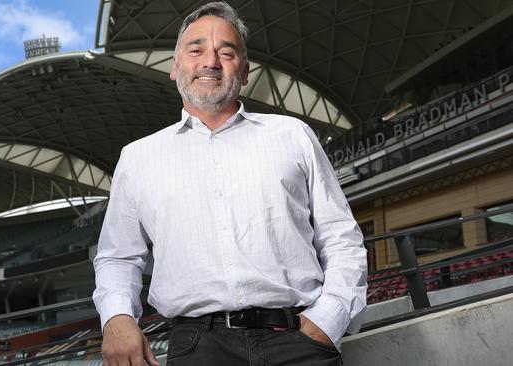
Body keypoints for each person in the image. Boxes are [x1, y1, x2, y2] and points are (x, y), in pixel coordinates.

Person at [92, 2, 367, 365]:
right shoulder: (138, 158)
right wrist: (117, 317)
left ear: (245, 71)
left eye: (226, 51)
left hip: (298, 342)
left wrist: (328, 319)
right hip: (197, 349)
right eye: (196, 50)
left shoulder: (293, 135)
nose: (210, 61)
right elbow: (118, 255)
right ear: (175, 68)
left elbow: (340, 236)